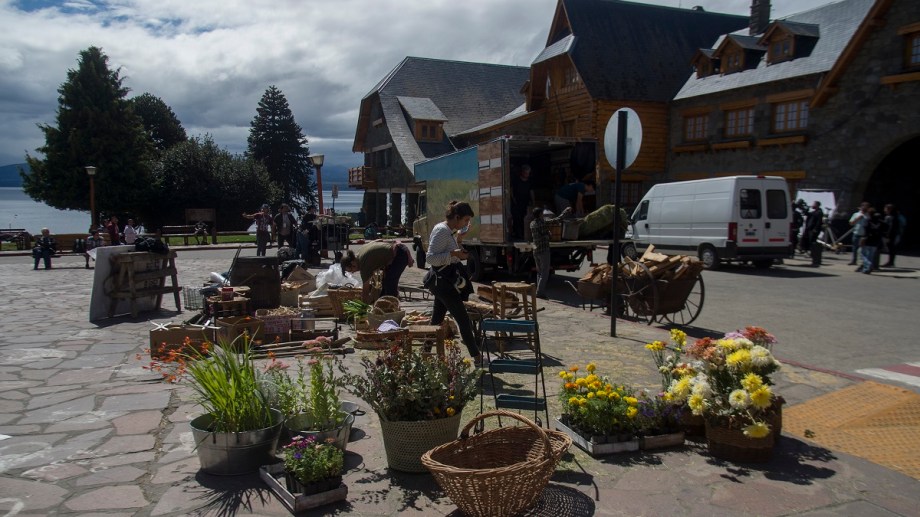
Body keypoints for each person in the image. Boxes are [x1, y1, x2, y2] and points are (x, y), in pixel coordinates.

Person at [425, 201, 478, 359]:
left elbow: (451, 250)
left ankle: (425, 353)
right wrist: (454, 254)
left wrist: (459, 241)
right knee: (463, 320)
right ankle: (477, 357)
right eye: (465, 220)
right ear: (456, 217)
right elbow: (430, 258)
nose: (466, 223)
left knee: (436, 320)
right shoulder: (442, 230)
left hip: (443, 282)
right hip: (443, 283)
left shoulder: (450, 230)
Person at [340, 240, 414, 303]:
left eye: (351, 270)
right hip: (398, 250)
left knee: (389, 283)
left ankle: (393, 307)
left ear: (353, 263)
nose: (353, 272)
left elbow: (365, 292)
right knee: (384, 287)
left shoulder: (364, 265)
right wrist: (374, 295)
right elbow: (378, 240)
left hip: (399, 255)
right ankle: (385, 305)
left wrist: (364, 305)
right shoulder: (360, 252)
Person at [530, 206, 572, 299]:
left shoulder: (532, 223)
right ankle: (540, 293)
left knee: (539, 272)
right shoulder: (542, 223)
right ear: (540, 214)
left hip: (536, 250)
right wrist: (565, 211)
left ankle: (538, 291)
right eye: (542, 214)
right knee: (545, 273)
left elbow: (542, 233)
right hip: (543, 251)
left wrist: (547, 233)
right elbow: (557, 220)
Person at [511, 164, 535, 240]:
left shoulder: (529, 181)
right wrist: (513, 199)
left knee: (524, 218)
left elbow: (531, 191)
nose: (527, 175)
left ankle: (524, 234)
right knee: (517, 218)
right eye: (526, 173)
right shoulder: (516, 180)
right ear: (522, 172)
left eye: (528, 173)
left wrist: (533, 201)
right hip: (517, 202)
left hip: (526, 202)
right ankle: (517, 234)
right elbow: (511, 190)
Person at [857, 208, 883, 274]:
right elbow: (886, 227)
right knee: (871, 255)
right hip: (876, 240)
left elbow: (866, 230)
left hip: (867, 239)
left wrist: (863, 238)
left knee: (862, 253)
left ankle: (868, 265)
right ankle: (866, 269)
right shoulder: (879, 222)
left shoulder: (868, 220)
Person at [848, 202, 870, 266]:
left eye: (867, 206)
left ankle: (863, 262)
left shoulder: (868, 215)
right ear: (861, 207)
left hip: (864, 234)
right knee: (855, 248)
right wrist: (857, 218)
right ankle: (854, 261)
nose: (865, 207)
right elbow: (851, 223)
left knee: (863, 249)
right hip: (856, 233)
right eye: (864, 206)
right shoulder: (856, 214)